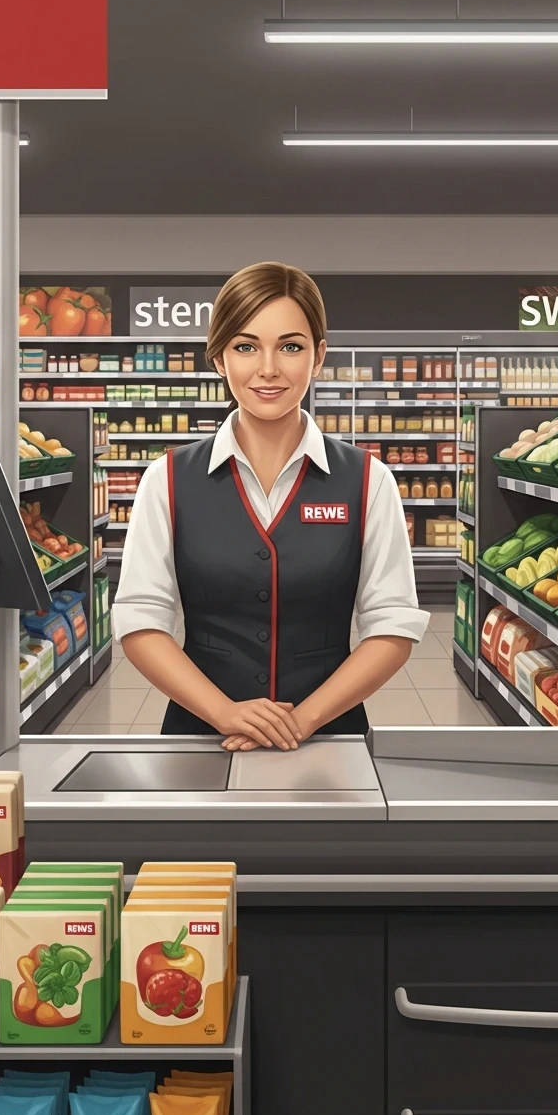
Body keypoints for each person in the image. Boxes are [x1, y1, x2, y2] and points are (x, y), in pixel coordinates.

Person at [114, 261, 430, 750]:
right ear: (219, 359)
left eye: (290, 346)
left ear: (318, 356)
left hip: (329, 737)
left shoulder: (369, 481)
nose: (268, 368)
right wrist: (224, 712)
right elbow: (140, 620)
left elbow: (392, 625)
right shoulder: (167, 480)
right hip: (200, 735)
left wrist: (299, 722)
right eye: (245, 347)